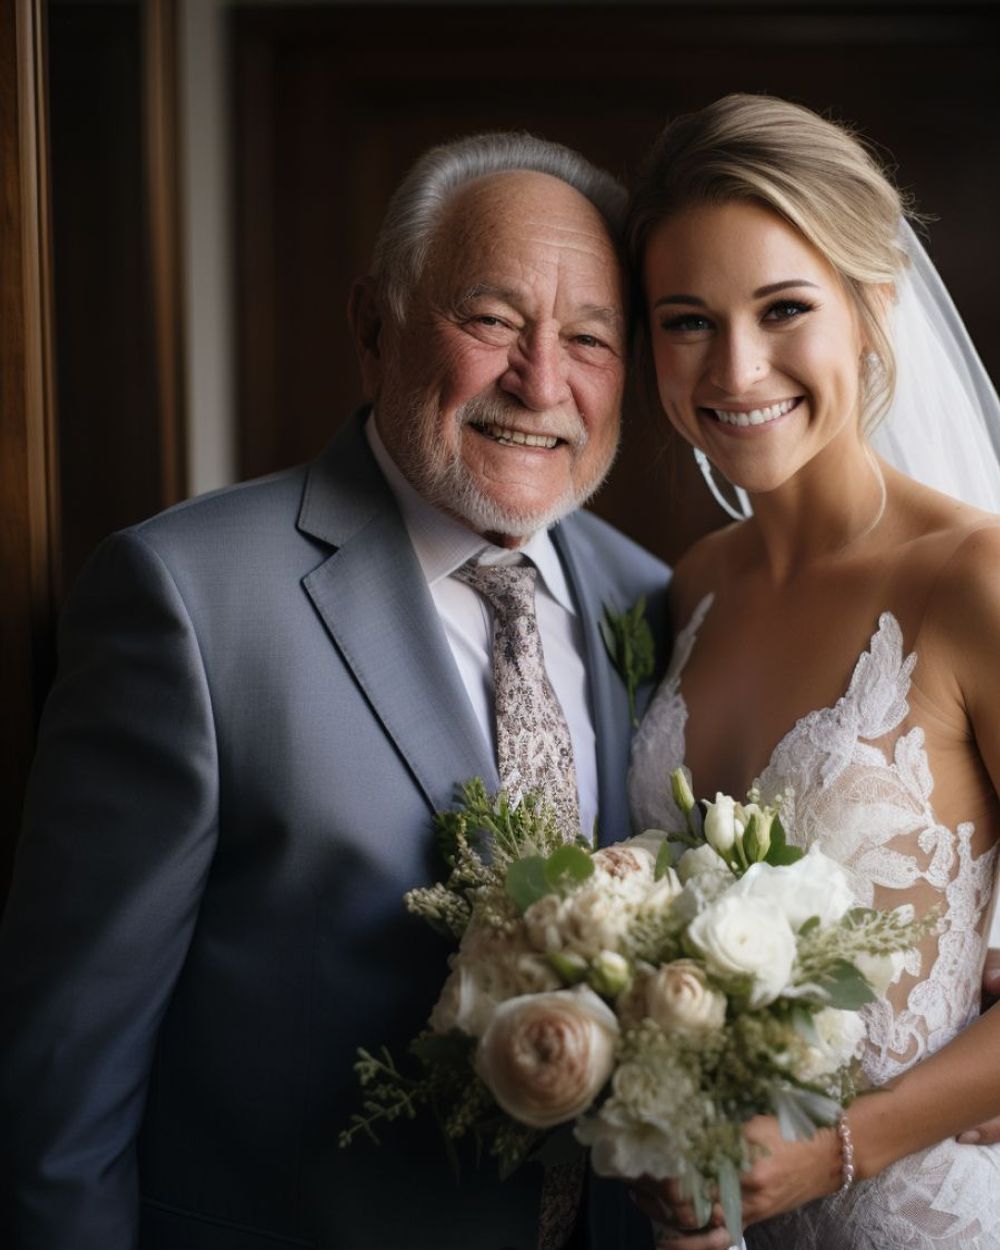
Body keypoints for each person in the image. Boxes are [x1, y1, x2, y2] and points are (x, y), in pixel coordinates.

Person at [0, 133, 667, 1250]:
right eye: (492, 319)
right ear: (374, 326)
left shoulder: (653, 601)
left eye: (589, 339)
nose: (540, 381)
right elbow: (66, 1071)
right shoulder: (187, 598)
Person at [625, 95, 1000, 1249]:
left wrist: (843, 1147)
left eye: (783, 308)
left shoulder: (972, 580)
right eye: (686, 320)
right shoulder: (689, 587)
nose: (736, 369)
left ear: (871, 310)